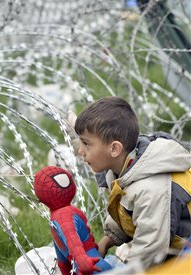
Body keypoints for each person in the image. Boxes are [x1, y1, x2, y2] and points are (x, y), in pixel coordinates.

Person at [74, 96, 191, 270]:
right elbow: (126, 209)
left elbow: (150, 250)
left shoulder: (151, 189)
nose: (80, 151)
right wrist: (108, 241)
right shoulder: (124, 168)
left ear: (114, 149)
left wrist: (126, 271)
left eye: (86, 144)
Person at [34, 166, 113, 274]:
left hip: (92, 267)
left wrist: (83, 262)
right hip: (90, 266)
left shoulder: (62, 216)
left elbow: (73, 241)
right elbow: (62, 259)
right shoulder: (57, 219)